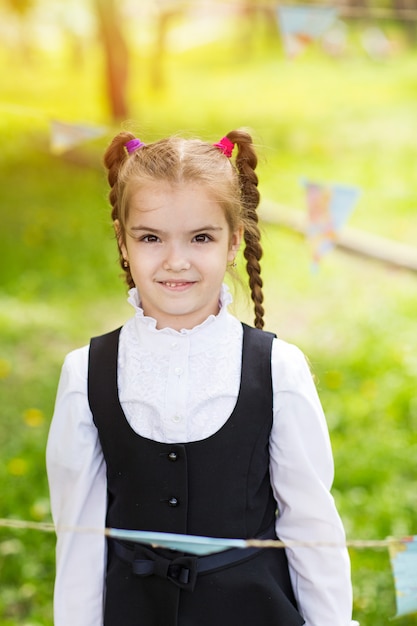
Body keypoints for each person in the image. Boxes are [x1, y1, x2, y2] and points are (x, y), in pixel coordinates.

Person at [46, 129, 357, 626]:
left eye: (201, 237)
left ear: (233, 242)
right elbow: (79, 541)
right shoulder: (86, 374)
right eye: (150, 237)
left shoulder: (278, 368)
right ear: (123, 243)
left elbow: (310, 529)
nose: (176, 261)